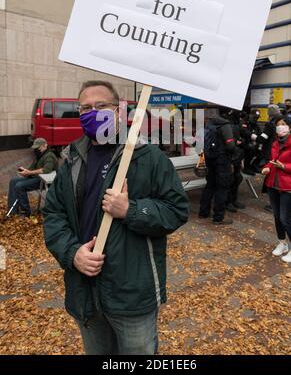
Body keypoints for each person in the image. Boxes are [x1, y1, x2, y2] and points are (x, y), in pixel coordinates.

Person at [43, 80, 189, 355]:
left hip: (131, 291)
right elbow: (54, 214)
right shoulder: (71, 157)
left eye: (101, 106)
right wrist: (73, 253)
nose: (92, 112)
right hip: (85, 289)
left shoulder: (147, 156)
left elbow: (176, 210)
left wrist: (130, 209)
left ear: (119, 110)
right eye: (85, 107)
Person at [262, 116, 291, 263]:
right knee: (277, 216)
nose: (280, 127)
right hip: (274, 185)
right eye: (278, 125)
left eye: (283, 125)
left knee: (286, 219)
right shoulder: (275, 144)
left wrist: (284, 167)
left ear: (290, 127)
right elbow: (273, 161)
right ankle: (282, 243)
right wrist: (267, 167)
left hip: (289, 186)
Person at [199, 108, 240, 225]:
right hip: (222, 161)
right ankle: (219, 217)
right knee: (222, 187)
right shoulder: (225, 125)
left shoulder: (209, 124)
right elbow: (231, 146)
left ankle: (203, 212)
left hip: (209, 159)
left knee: (210, 185)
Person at [7, 138, 58, 218]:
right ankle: (12, 210)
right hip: (35, 177)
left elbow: (46, 170)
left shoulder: (50, 156)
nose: (37, 149)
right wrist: (26, 171)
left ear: (45, 145)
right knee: (13, 181)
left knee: (19, 186)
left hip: (42, 180)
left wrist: (29, 173)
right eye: (36, 148)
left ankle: (26, 212)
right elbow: (32, 168)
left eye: (39, 147)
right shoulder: (39, 155)